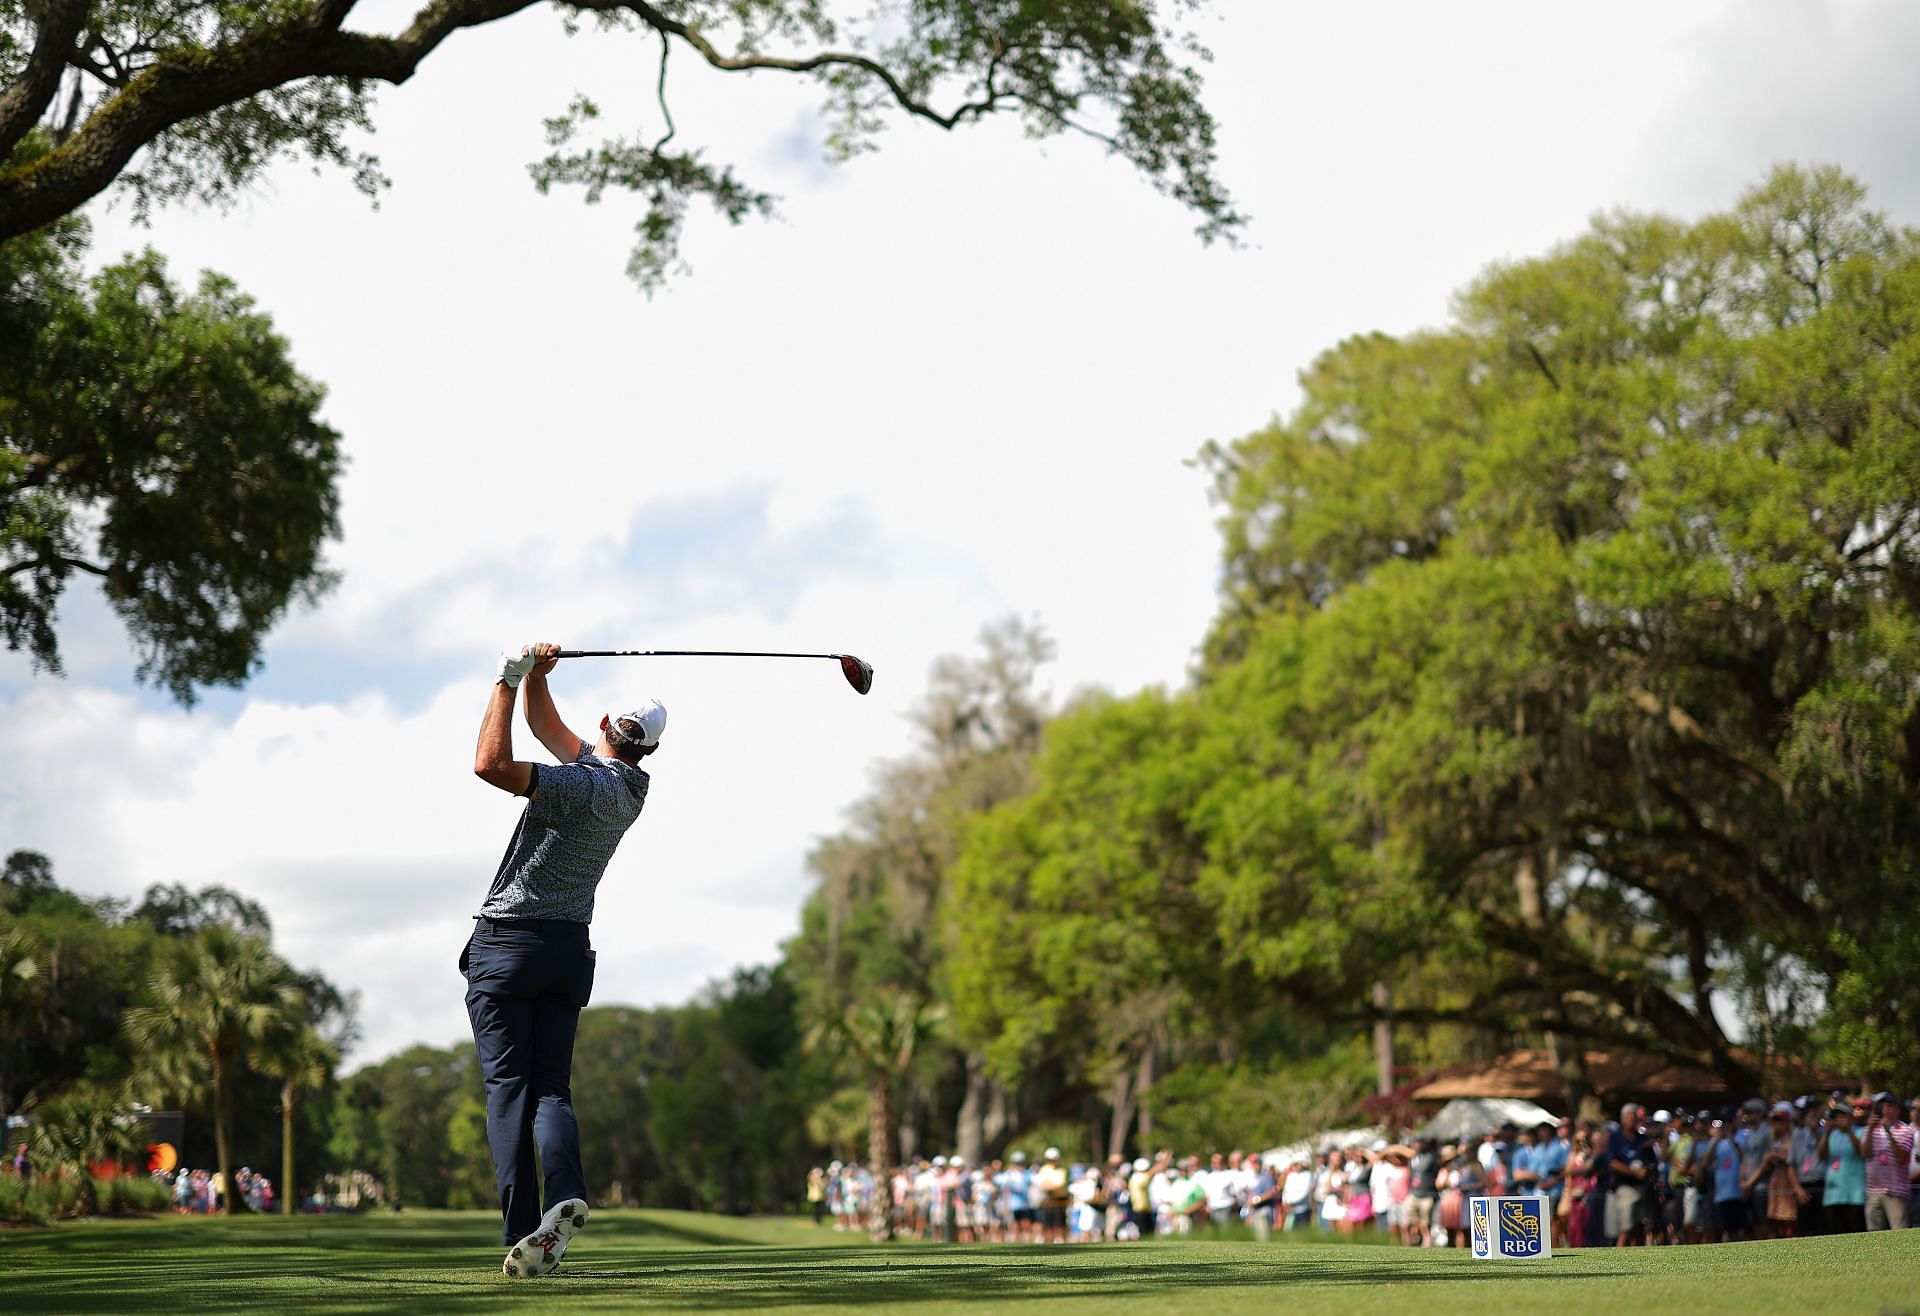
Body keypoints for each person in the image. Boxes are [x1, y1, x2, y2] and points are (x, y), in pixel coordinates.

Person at [466, 641, 666, 1278]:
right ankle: (566, 1194)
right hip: (567, 951)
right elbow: (545, 728)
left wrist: (504, 679)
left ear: (608, 726)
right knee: (551, 1086)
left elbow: (489, 764)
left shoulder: (578, 785)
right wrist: (535, 679)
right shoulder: (628, 787)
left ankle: (523, 1230)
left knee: (508, 1093)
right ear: (649, 748)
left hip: (509, 947)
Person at [1862, 1091, 1915, 1231]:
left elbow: (1901, 1157)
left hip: (1896, 1192)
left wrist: (1888, 1132)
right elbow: (1864, 1154)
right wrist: (1871, 1129)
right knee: (1875, 1238)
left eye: (1889, 1106)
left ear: (1897, 1110)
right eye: (1881, 1106)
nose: (1885, 1110)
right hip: (1873, 1191)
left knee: (1900, 1235)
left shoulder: (1905, 1130)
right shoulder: (1870, 1129)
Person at [1819, 1100, 1866, 1235]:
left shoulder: (1860, 1131)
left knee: (1856, 1234)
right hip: (1833, 1196)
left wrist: (1849, 1131)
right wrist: (1827, 1133)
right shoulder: (1831, 1135)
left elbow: (1862, 1152)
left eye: (1842, 1116)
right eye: (1836, 1117)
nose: (1839, 1119)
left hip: (1854, 1195)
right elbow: (1821, 1155)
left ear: (1850, 1116)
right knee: (1836, 1235)